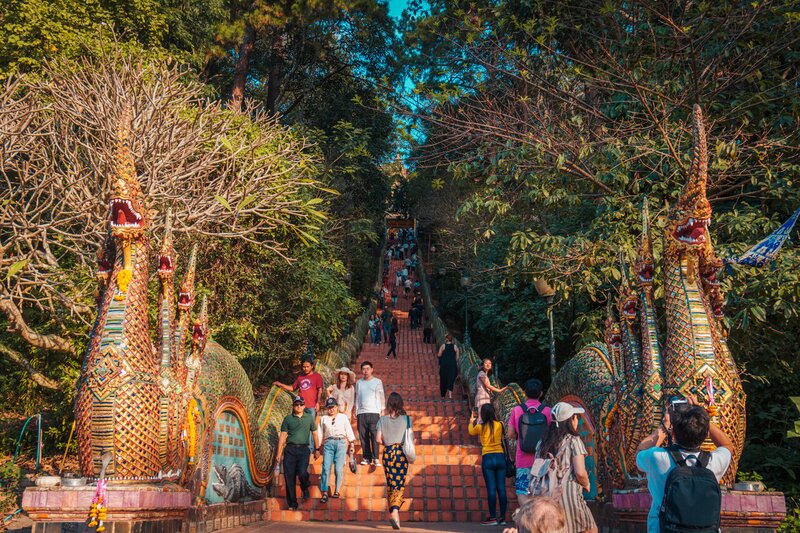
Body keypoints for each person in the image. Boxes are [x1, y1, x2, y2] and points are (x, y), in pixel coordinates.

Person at [635, 396, 733, 533]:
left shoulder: (657, 458)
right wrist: (702, 418)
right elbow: (727, 445)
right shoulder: (714, 461)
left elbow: (640, 451)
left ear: (673, 432)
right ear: (705, 434)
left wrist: (665, 426)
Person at [532, 402, 596, 533]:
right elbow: (580, 473)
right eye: (575, 416)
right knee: (590, 529)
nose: (577, 420)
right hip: (570, 497)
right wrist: (587, 484)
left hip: (547, 500)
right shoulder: (574, 441)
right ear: (570, 420)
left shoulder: (541, 444)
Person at [507, 378, 552, 507]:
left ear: (525, 392)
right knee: (542, 492)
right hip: (542, 460)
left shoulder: (517, 410)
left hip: (522, 461)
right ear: (541, 393)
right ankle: (538, 522)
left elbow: (510, 434)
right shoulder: (547, 411)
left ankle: (526, 519)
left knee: (522, 491)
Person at [275, 395, 320, 511]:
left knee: (302, 472)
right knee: (289, 477)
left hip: (304, 450)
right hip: (290, 450)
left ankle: (305, 486)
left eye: (301, 404)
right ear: (293, 406)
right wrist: (279, 454)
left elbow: (315, 433)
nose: (299, 406)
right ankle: (292, 504)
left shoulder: (309, 418)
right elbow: (283, 436)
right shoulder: (288, 419)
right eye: (296, 404)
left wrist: (317, 449)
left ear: (304, 406)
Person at [377, 392, 413, 530]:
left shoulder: (382, 420)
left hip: (387, 453)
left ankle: (393, 513)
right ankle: (395, 512)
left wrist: (387, 443)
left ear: (389, 404)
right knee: (399, 483)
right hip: (400, 453)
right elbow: (411, 438)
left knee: (391, 483)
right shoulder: (407, 420)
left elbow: (377, 439)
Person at [469, 403, 508, 526]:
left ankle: (492, 518)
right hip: (500, 457)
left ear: (483, 415)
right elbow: (505, 437)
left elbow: (471, 431)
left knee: (491, 488)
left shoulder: (480, 427)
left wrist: (471, 421)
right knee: (501, 488)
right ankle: (502, 518)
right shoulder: (500, 424)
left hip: (488, 458)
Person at [316, 397, 356, 503]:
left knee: (338, 469)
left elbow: (348, 430)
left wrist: (352, 443)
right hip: (328, 443)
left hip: (341, 443)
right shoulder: (323, 418)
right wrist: (317, 447)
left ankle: (337, 490)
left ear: (337, 407)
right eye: (329, 407)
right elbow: (320, 433)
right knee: (326, 468)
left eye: (333, 407)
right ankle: (324, 491)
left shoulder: (343, 417)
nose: (331, 409)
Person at [354, 361, 385, 466]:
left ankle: (376, 458)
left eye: (367, 368)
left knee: (374, 435)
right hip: (361, 413)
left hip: (374, 412)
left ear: (372, 369)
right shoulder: (359, 383)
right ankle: (366, 457)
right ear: (361, 370)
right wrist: (356, 410)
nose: (365, 371)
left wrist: (382, 409)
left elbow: (381, 396)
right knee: (363, 436)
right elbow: (357, 397)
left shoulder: (377, 382)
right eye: (363, 369)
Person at [436, 334, 459, 399]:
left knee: (443, 379)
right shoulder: (455, 346)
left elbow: (439, 355)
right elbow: (457, 358)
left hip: (444, 365)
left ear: (446, 339)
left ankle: (443, 395)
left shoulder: (443, 346)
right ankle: (450, 395)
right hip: (452, 365)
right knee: (451, 379)